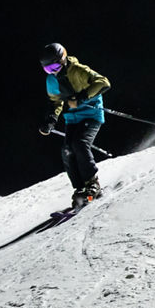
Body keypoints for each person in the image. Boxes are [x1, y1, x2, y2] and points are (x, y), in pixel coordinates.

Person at [38, 43, 111, 208]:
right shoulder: (51, 80)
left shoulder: (78, 70)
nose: (53, 71)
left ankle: (93, 183)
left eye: (55, 66)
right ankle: (80, 189)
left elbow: (104, 82)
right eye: (48, 70)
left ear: (63, 59)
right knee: (67, 150)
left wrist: (83, 97)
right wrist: (51, 120)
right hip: (72, 119)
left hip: (91, 114)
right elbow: (55, 101)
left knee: (80, 143)